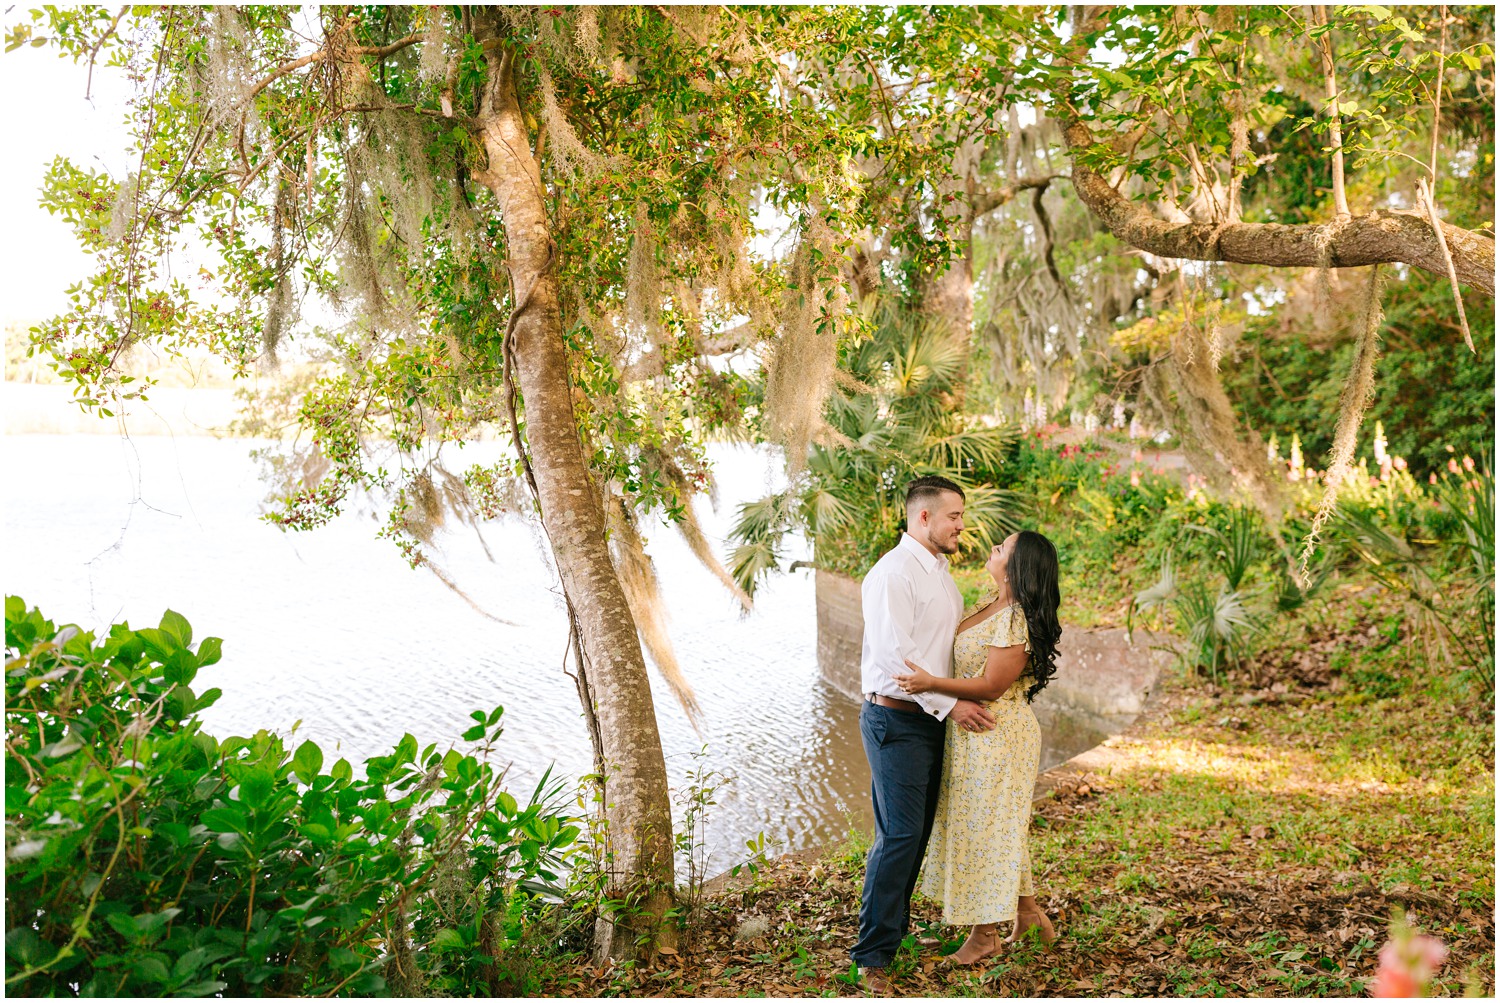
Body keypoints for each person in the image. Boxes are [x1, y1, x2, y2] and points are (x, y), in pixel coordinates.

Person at [851, 476, 999, 994]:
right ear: (924, 518)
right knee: (898, 837)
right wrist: (953, 704)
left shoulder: (939, 571)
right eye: (954, 515)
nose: (962, 524)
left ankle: (890, 936)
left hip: (930, 719)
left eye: (961, 515)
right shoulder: (892, 574)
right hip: (896, 720)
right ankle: (872, 955)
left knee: (913, 836)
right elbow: (895, 662)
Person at [894, 530, 1063, 964]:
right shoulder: (990, 605)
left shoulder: (1016, 617)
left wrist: (931, 684)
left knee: (985, 828)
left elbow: (991, 684)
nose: (994, 548)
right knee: (996, 824)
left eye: (1003, 547)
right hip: (974, 734)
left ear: (1019, 565)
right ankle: (1029, 918)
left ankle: (985, 936)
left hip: (997, 733)